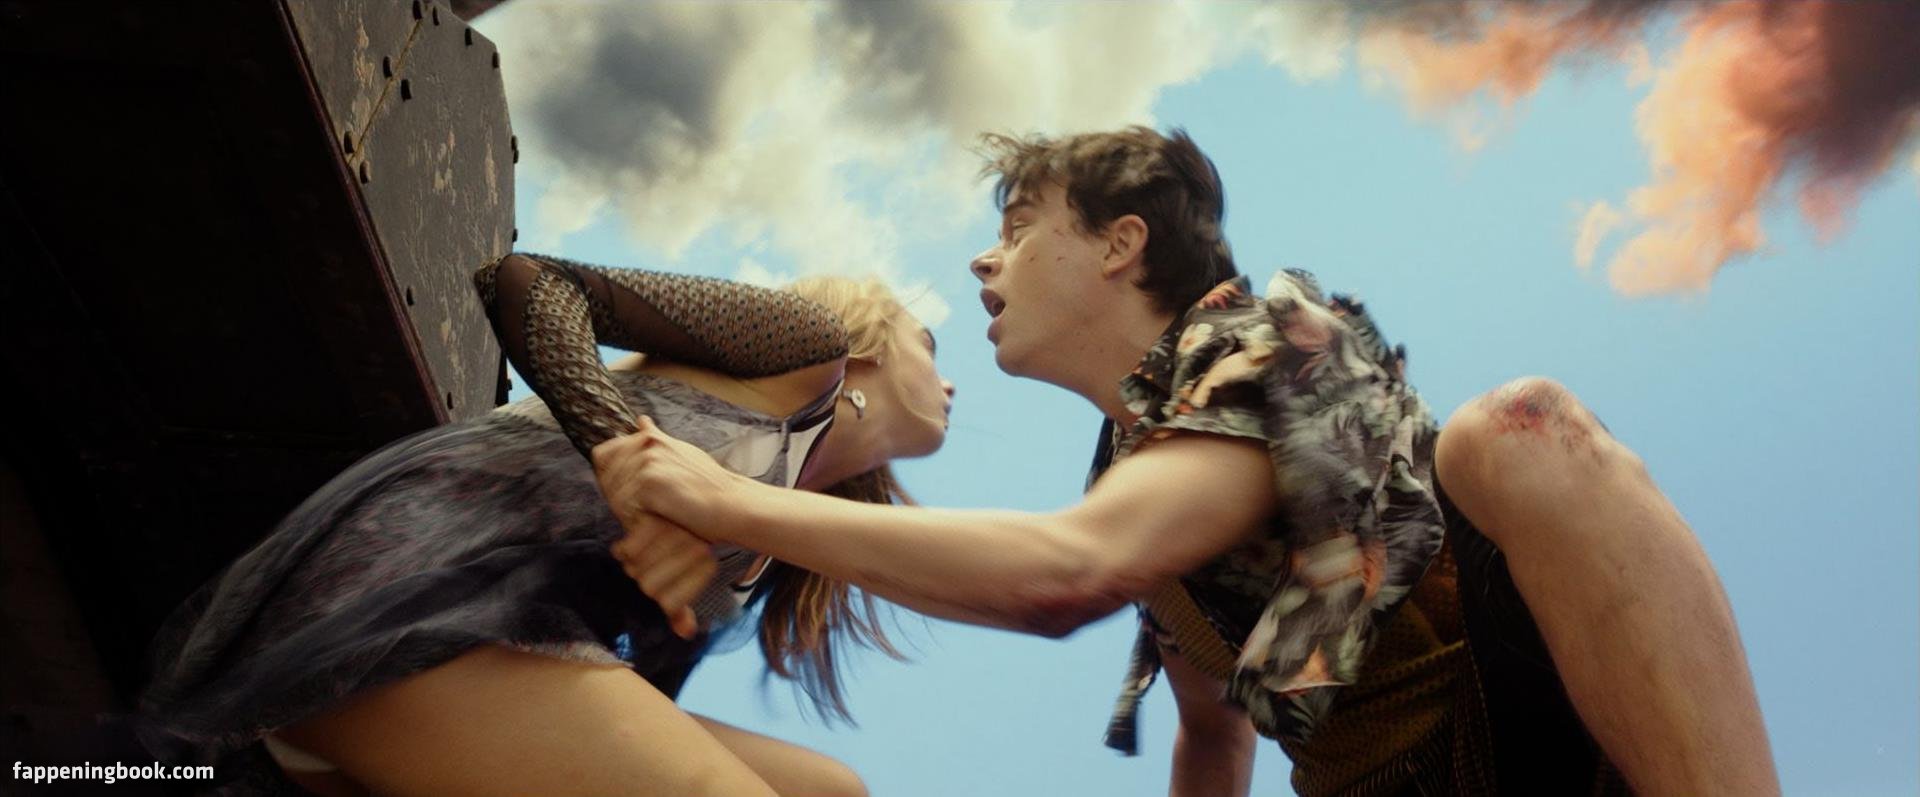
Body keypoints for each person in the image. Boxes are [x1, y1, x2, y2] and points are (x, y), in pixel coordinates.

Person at [601, 128, 1781, 796]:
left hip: (1533, 739)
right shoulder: (1133, 466)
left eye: (1018, 228)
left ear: (1121, 243)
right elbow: (1212, 731)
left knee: (1518, 430)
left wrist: (723, 498)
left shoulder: (1268, 349)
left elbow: (1068, 572)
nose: (982, 262)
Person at [136, 253, 953, 797]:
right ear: (875, 343)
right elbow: (531, 281)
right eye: (932, 345)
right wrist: (626, 463)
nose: (950, 384)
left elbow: (634, 702)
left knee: (830, 789)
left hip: (499, 688)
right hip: (403, 611)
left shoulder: (774, 540)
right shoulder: (803, 347)